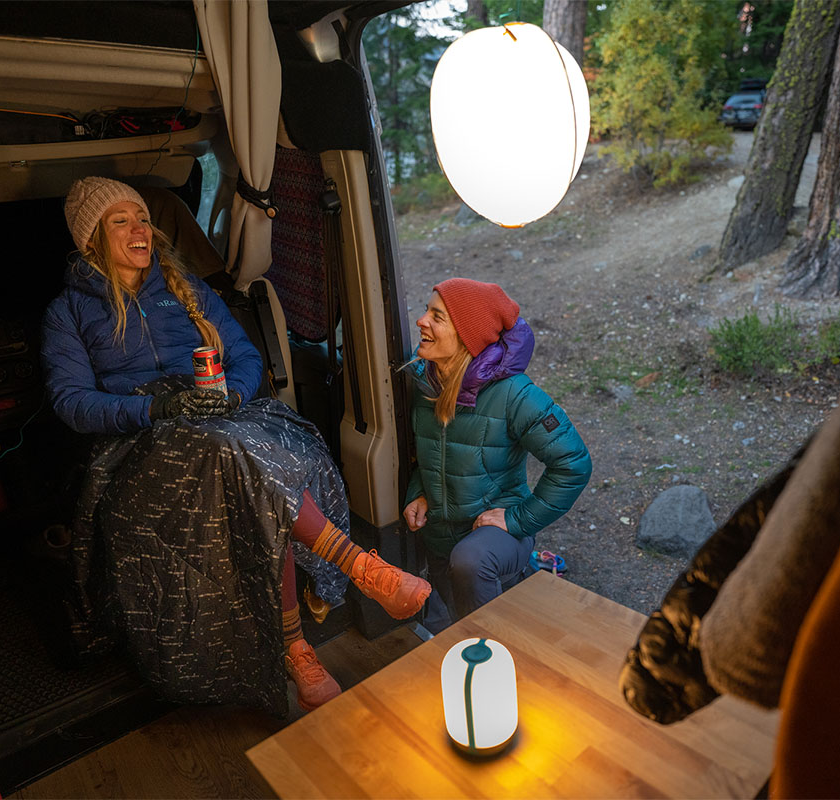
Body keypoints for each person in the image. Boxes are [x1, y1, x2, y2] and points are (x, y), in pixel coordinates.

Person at [40, 176, 429, 713]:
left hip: (221, 416)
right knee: (237, 456)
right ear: (91, 239)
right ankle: (362, 568)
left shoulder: (188, 289)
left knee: (268, 456)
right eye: (120, 220)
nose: (139, 229)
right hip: (140, 437)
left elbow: (245, 359)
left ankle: (295, 648)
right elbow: (71, 402)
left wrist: (231, 397)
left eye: (143, 217)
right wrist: (155, 408)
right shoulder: (69, 312)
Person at [402, 278, 592, 634]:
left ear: (467, 336)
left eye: (437, 316)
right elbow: (430, 453)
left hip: (495, 537)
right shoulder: (425, 381)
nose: (421, 321)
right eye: (427, 311)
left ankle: (503, 657)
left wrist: (519, 520)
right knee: (460, 612)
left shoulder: (513, 394)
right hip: (444, 535)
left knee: (472, 570)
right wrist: (420, 491)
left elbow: (573, 464)